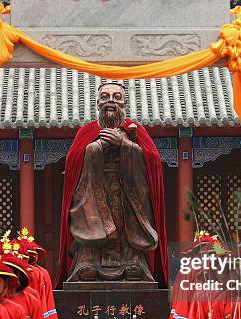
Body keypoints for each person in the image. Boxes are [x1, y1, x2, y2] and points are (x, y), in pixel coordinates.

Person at [58, 82, 168, 285]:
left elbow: (152, 161)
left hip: (127, 195)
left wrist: (125, 146)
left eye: (117, 97)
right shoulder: (86, 132)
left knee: (127, 233)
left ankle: (133, 262)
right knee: (90, 220)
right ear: (98, 102)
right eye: (106, 96)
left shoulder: (136, 131)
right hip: (94, 193)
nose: (111, 101)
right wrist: (96, 148)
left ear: (125, 102)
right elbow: (73, 162)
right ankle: (87, 262)